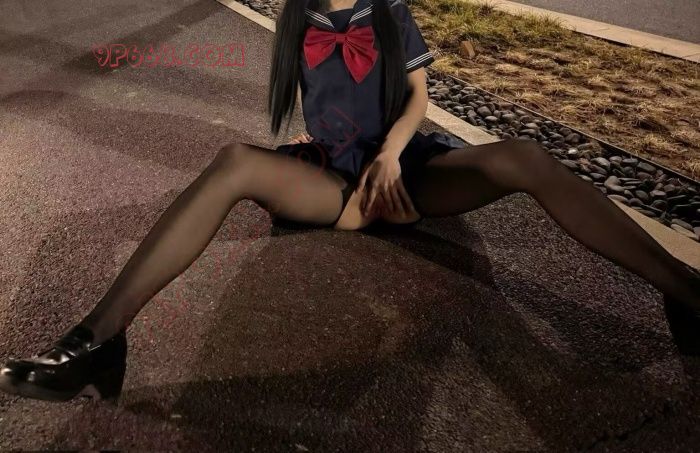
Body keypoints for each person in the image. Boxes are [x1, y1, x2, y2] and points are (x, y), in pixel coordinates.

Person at [0, 0, 698, 403]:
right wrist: (322, 149)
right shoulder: (297, 15)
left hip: (406, 168)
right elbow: (319, 106)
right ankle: (93, 341)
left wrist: (391, 150)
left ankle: (684, 289)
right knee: (234, 160)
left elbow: (419, 96)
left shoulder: (388, 10)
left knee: (526, 155)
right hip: (334, 176)